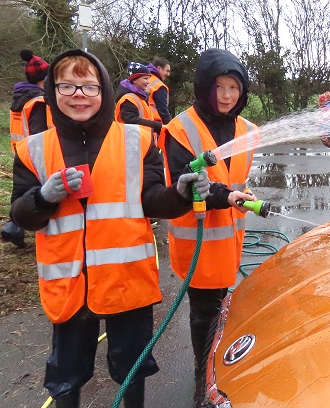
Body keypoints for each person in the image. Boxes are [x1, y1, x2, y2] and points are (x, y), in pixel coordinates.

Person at [9, 49, 210, 408]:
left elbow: (151, 199)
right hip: (70, 285)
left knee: (131, 370)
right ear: (53, 92)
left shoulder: (137, 140)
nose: (78, 96)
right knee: (66, 376)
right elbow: (22, 216)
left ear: (103, 90)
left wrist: (179, 194)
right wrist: (43, 196)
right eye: (67, 87)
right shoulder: (32, 149)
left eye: (88, 87)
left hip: (127, 282)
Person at [159, 48, 258, 408]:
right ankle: (203, 382)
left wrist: (243, 193)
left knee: (219, 307)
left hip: (230, 240)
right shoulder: (181, 129)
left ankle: (213, 370)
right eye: (220, 87)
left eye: (234, 87)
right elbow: (187, 181)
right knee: (204, 312)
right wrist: (227, 196)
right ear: (204, 87)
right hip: (197, 241)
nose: (228, 95)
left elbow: (236, 176)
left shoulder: (247, 130)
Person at [2, 49, 52, 248]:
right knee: (36, 192)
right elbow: (39, 132)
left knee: (24, 191)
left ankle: (14, 226)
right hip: (34, 154)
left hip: (20, 152)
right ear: (43, 79)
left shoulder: (20, 99)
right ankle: (14, 226)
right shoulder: (38, 102)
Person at [115, 61, 162, 134]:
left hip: (141, 140)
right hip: (132, 142)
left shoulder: (139, 97)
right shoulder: (128, 99)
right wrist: (157, 126)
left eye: (148, 78)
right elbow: (131, 121)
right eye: (145, 78)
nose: (148, 82)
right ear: (135, 80)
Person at [146, 57, 173, 125]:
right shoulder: (159, 86)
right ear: (159, 68)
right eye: (167, 71)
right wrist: (170, 127)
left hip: (142, 122)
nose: (168, 74)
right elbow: (163, 111)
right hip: (154, 124)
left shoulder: (144, 79)